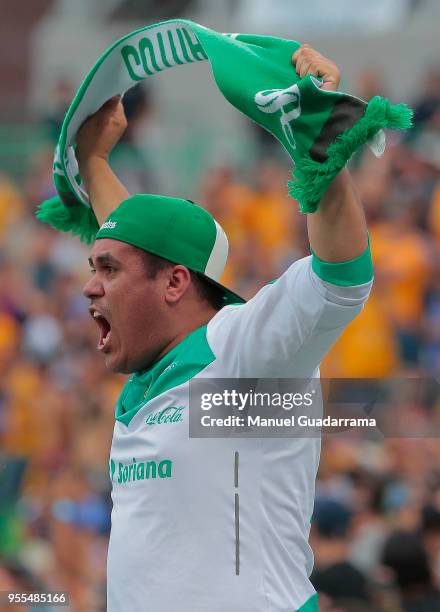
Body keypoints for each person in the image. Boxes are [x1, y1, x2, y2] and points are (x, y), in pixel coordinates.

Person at [75, 44, 373, 612]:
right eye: (95, 267)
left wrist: (320, 141)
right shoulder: (156, 369)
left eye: (105, 270)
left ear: (176, 284)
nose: (90, 286)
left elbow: (341, 278)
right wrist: (94, 164)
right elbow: (141, 250)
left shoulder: (244, 355)